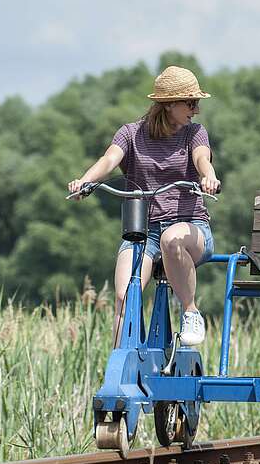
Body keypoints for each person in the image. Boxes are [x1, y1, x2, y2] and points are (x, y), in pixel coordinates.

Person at [68, 65, 220, 348]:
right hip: (145, 232)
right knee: (125, 294)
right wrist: (85, 181)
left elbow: (202, 159)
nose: (196, 109)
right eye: (190, 102)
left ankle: (190, 310)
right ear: (167, 104)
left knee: (171, 238)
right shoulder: (131, 133)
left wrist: (208, 176)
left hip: (190, 228)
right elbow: (110, 160)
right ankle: (121, 364)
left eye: (196, 102)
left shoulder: (194, 133)